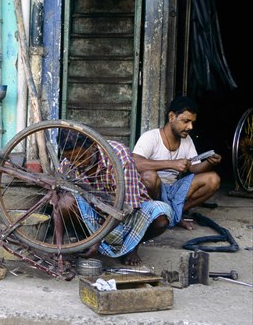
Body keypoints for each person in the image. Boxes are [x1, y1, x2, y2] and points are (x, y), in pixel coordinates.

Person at [56, 131, 174, 265]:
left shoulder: (118, 154)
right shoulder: (67, 164)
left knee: (161, 218)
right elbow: (56, 205)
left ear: (94, 146)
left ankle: (131, 247)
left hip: (128, 215)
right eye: (71, 159)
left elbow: (129, 205)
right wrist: (58, 249)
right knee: (65, 202)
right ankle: (87, 241)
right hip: (96, 217)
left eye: (82, 157)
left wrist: (97, 240)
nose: (77, 164)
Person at [133, 96, 221, 230]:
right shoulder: (151, 137)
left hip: (174, 189)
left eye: (192, 122)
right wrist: (171, 164)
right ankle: (152, 215)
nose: (190, 127)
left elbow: (194, 168)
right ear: (171, 116)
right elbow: (134, 162)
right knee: (149, 177)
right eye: (185, 121)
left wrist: (210, 162)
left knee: (213, 179)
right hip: (155, 190)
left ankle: (175, 214)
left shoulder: (187, 140)